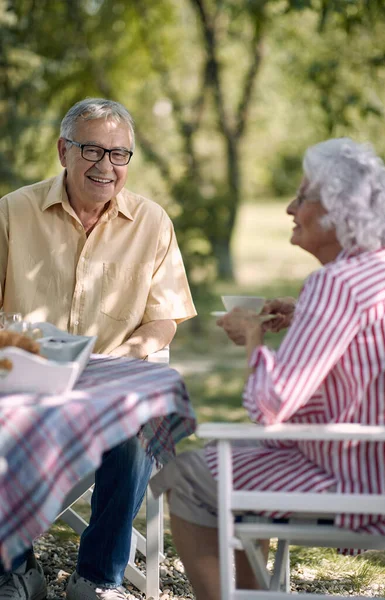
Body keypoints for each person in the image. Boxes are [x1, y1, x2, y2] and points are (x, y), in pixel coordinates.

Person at [150, 137, 385, 600]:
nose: (289, 207)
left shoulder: (335, 284)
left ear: (337, 211)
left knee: (186, 476)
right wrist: (304, 312)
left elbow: (269, 405)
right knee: (231, 467)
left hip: (352, 481)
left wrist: (253, 338)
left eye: (303, 197)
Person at [0, 98, 196, 600]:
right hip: (23, 380)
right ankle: (16, 570)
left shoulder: (152, 222)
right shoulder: (12, 212)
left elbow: (163, 317)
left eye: (120, 154)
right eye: (92, 150)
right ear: (63, 151)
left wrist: (131, 354)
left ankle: (97, 578)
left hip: (112, 381)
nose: (106, 165)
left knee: (138, 435)